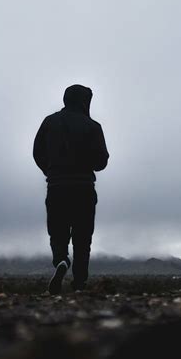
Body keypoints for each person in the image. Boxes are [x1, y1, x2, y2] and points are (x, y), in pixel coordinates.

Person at [33, 84, 109, 294]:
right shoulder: (93, 127)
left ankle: (61, 260)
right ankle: (79, 283)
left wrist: (50, 171)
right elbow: (101, 162)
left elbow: (37, 151)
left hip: (56, 186)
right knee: (83, 237)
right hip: (84, 188)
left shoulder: (50, 122)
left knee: (57, 231)